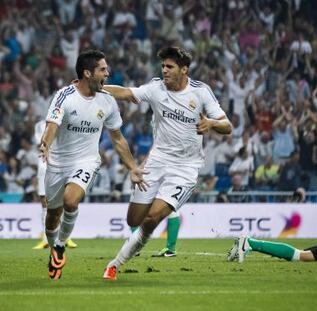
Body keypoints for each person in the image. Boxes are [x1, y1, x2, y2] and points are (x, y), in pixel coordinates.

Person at [102, 46, 232, 280]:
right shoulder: (155, 88)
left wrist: (211, 124)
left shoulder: (201, 92)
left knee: (152, 218)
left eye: (169, 67)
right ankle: (139, 239)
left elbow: (228, 126)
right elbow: (126, 93)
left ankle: (115, 264)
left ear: (184, 70)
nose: (165, 70)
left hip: (185, 168)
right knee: (134, 219)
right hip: (157, 161)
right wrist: (96, 88)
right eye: (163, 66)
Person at [40, 50, 146, 280]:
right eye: (102, 69)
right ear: (87, 73)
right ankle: (54, 249)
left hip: (87, 160)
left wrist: (133, 168)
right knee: (52, 215)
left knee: (71, 200)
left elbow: (117, 138)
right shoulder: (65, 95)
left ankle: (59, 246)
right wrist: (46, 144)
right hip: (58, 163)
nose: (107, 73)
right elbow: (52, 124)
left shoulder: (107, 100)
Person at [32, 119, 77, 249]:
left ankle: (66, 237)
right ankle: (45, 239)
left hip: (62, 162)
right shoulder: (39, 125)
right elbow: (40, 142)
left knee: (64, 200)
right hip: (44, 163)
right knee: (44, 201)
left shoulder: (68, 121)